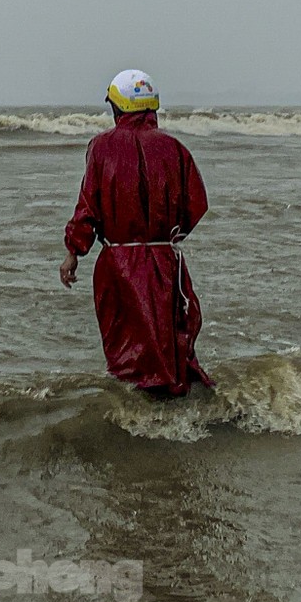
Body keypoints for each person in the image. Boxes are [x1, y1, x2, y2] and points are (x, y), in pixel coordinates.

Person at [61, 69, 211, 396]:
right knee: (170, 341)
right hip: (165, 261)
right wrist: (166, 237)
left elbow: (89, 206)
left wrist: (74, 252)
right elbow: (196, 204)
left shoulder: (101, 147)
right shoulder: (175, 149)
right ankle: (177, 410)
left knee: (126, 352)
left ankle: (137, 422)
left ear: (117, 108)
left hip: (118, 264)